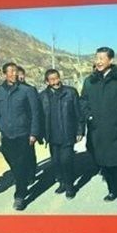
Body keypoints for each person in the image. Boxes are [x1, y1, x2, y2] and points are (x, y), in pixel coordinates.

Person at [80, 47, 117, 211]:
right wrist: (89, 116)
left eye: (102, 58)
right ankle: (112, 190)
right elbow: (83, 101)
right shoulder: (90, 81)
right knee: (104, 164)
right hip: (98, 131)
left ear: (111, 60)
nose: (98, 61)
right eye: (97, 58)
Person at [0, 62, 40, 210]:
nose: (14, 74)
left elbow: (35, 113)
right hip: (6, 135)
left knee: (20, 164)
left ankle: (20, 196)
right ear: (4, 74)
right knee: (13, 163)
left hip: (23, 134)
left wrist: (34, 133)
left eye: (16, 71)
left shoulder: (27, 90)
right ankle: (22, 177)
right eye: (11, 71)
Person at [40, 69, 84, 198]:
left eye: (57, 78)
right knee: (56, 162)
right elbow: (40, 117)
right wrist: (40, 134)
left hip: (67, 133)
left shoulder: (70, 92)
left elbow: (79, 113)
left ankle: (70, 186)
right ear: (47, 82)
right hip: (52, 136)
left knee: (66, 161)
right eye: (52, 80)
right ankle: (62, 182)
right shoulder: (42, 96)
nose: (55, 82)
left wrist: (80, 130)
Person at [16, 65, 41, 184]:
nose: (20, 77)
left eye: (22, 74)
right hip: (16, 128)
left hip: (28, 127)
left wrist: (34, 131)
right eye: (18, 75)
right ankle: (22, 174)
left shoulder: (30, 89)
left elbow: (36, 110)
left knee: (29, 152)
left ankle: (31, 174)